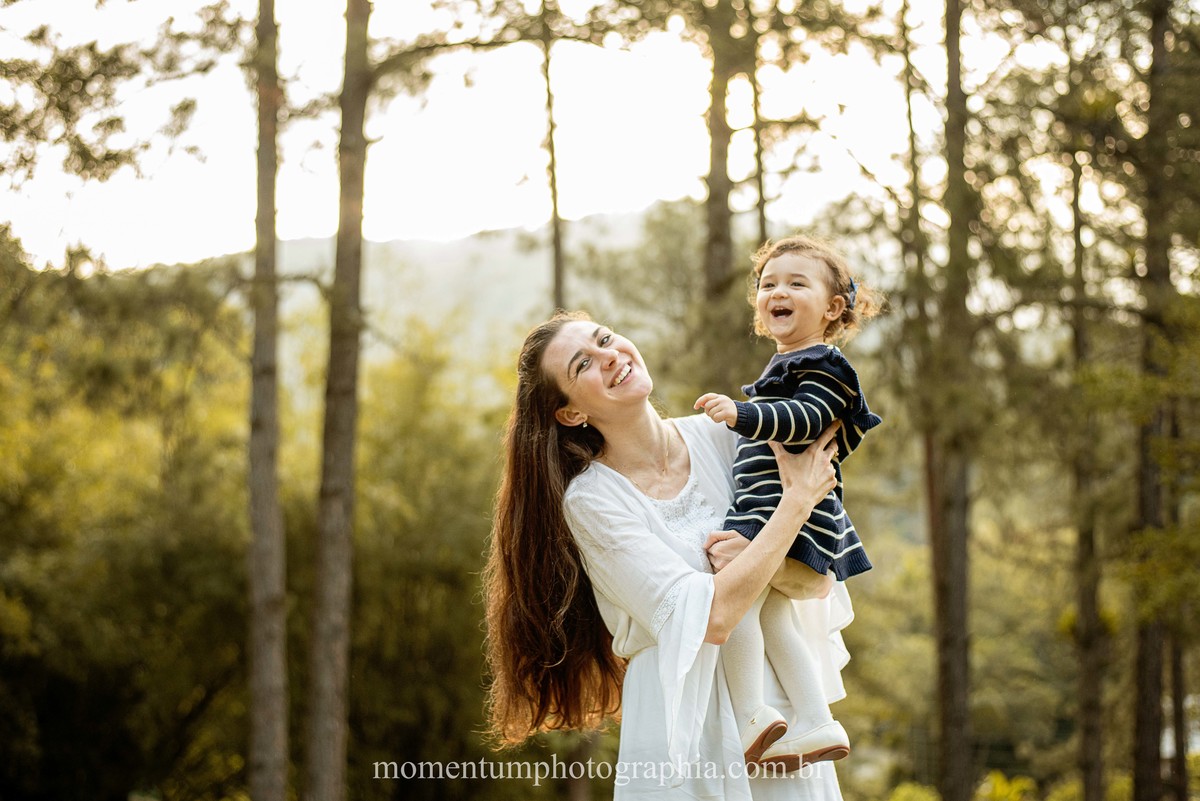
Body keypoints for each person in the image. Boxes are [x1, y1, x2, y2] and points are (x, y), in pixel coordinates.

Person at [484, 310, 855, 800]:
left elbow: (816, 580)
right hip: (682, 728)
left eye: (606, 339)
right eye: (584, 364)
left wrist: (772, 546)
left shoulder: (729, 435)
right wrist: (795, 504)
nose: (610, 356)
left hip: (782, 725)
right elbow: (712, 618)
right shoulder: (594, 501)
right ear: (571, 413)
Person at [694, 236, 882, 771]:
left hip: (787, 520)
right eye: (769, 283)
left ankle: (751, 713)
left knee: (738, 599)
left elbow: (803, 420)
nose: (778, 290)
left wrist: (742, 413)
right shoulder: (790, 367)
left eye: (797, 283)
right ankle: (815, 718)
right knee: (773, 612)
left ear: (832, 308)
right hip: (773, 515)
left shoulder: (826, 367)